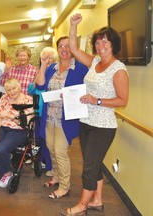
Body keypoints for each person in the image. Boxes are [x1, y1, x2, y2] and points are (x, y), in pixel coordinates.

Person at [60, 14, 129, 216]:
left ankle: (82, 205)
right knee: (94, 163)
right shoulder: (95, 62)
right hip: (86, 121)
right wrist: (73, 26)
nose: (100, 46)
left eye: (104, 42)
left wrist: (97, 100)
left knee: (89, 167)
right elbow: (73, 48)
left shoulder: (119, 69)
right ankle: (97, 200)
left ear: (113, 44)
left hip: (103, 126)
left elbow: (123, 100)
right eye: (97, 42)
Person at [35, 37, 88, 200]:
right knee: (51, 148)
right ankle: (56, 177)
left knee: (60, 151)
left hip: (67, 118)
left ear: (73, 48)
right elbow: (40, 86)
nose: (64, 49)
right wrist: (43, 66)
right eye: (60, 46)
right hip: (49, 116)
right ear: (57, 49)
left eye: (67, 46)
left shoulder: (81, 68)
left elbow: (87, 90)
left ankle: (65, 186)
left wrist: (75, 97)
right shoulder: (52, 67)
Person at [0, 78, 34, 193]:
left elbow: (26, 122)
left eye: (14, 88)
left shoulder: (28, 100)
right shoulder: (4, 98)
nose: (12, 92)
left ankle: (7, 173)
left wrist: (11, 116)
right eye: (9, 90)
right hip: (3, 128)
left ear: (19, 86)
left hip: (19, 130)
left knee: (1, 149)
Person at [28, 46, 59, 177]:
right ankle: (40, 160)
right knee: (39, 137)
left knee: (49, 140)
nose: (47, 59)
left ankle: (49, 163)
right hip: (39, 110)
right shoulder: (40, 72)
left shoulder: (57, 72)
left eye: (50, 57)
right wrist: (35, 83)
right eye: (45, 57)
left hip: (51, 111)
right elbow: (31, 90)